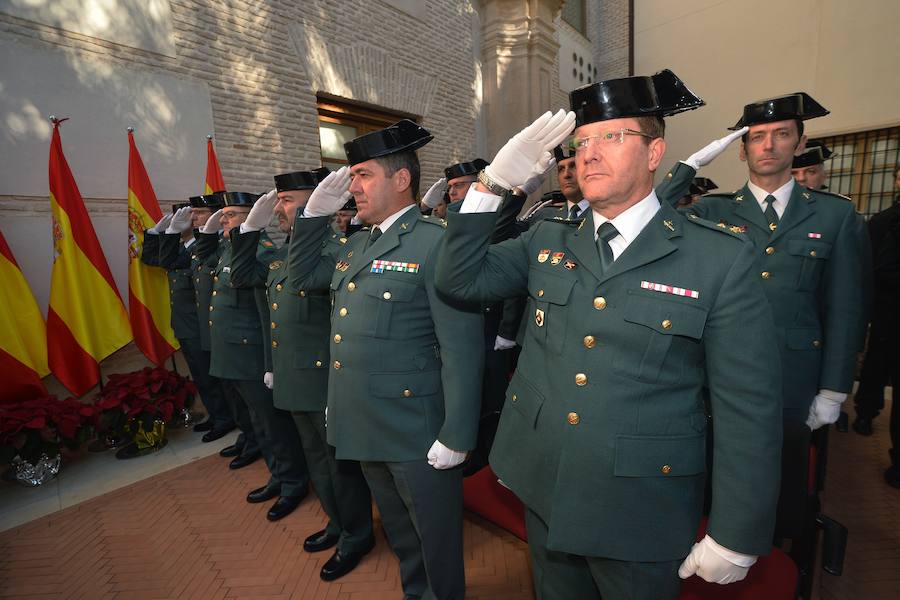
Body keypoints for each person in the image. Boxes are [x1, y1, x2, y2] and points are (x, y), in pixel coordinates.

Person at [434, 70, 783, 599]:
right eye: (581, 143)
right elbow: (458, 280)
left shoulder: (718, 258)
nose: (588, 155)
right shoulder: (546, 240)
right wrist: (491, 186)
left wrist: (735, 533)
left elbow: (748, 408)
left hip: (641, 507)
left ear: (654, 152)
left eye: (612, 137)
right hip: (545, 486)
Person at [289, 119, 484, 600]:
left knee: (435, 542)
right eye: (351, 176)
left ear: (401, 180)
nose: (352, 186)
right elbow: (301, 275)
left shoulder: (435, 242)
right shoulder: (358, 243)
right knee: (402, 537)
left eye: (363, 175)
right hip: (365, 421)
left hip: (418, 430)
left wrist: (458, 432)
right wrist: (313, 216)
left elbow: (461, 345)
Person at [658, 92, 866, 543]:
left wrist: (833, 388)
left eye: (781, 135)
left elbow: (846, 309)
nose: (769, 145)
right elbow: (651, 220)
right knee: (711, 477)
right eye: (757, 138)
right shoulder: (712, 210)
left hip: (791, 378)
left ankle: (777, 566)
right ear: (742, 149)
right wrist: (685, 170)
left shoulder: (835, 216)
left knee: (781, 488)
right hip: (714, 375)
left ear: (798, 142)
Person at [231, 169, 375, 579]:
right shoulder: (281, 254)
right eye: (278, 201)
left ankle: (356, 533)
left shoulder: (338, 252)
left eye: (287, 200)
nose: (279, 208)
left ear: (317, 206)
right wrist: (249, 229)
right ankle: (337, 522)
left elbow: (307, 282)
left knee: (339, 467)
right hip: (294, 378)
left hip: (325, 380)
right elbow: (243, 276)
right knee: (317, 459)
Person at [198, 191, 310, 521]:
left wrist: (268, 363)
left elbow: (266, 314)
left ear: (250, 217)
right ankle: (278, 474)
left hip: (251, 354)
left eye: (231, 215)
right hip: (234, 354)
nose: (223, 220)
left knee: (274, 425)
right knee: (259, 423)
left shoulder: (262, 253)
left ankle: (292, 481)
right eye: (223, 215)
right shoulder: (227, 249)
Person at [143, 200, 234, 441]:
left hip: (199, 323)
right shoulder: (185, 248)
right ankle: (217, 415)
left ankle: (225, 417)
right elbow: (154, 259)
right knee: (201, 376)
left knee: (211, 376)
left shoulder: (203, 248)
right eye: (190, 214)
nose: (193, 218)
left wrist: (172, 235)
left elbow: (168, 260)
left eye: (200, 212)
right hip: (185, 323)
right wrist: (156, 233)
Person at [854, 165, 900, 486]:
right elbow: (874, 269)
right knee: (877, 367)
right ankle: (866, 413)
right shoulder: (886, 221)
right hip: (888, 312)